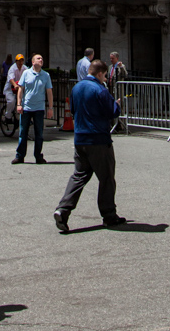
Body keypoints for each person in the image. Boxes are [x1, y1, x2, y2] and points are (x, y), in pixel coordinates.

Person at [54, 59, 125, 232]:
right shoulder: (100, 89)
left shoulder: (76, 88)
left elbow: (74, 110)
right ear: (100, 73)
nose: (105, 78)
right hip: (98, 139)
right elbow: (113, 112)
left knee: (79, 175)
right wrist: (116, 104)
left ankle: (63, 209)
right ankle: (109, 215)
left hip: (80, 139)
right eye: (105, 75)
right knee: (107, 178)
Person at [12, 54, 53, 165]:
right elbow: (20, 89)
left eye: (42, 58)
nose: (41, 60)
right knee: (23, 132)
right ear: (33, 62)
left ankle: (38, 156)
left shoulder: (46, 75)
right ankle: (20, 156)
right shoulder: (26, 73)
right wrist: (19, 104)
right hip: (26, 107)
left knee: (39, 133)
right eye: (38, 58)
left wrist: (50, 107)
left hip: (39, 108)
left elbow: (49, 92)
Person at [4, 55, 26, 119]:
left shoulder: (25, 68)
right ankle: (8, 116)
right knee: (11, 101)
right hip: (10, 89)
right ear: (16, 61)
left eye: (22, 60)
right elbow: (11, 78)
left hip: (20, 89)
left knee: (25, 101)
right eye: (19, 61)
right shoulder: (12, 68)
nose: (20, 62)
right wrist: (15, 85)